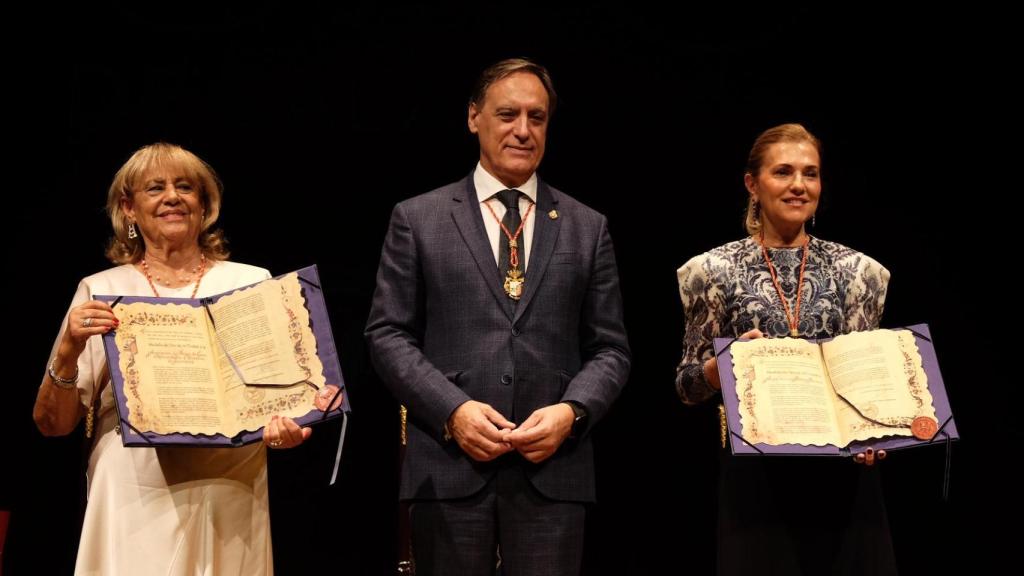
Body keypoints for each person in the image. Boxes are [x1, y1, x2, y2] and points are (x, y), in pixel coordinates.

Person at [365, 58, 631, 576]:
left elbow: (611, 349)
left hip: (553, 472)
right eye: (508, 114)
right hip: (448, 468)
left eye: (537, 117)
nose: (523, 130)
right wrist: (453, 411)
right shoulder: (418, 218)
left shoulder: (587, 226)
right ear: (473, 117)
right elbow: (386, 334)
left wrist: (572, 412)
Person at [33, 143, 314, 575]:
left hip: (230, 484)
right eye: (155, 188)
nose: (172, 197)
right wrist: (69, 351)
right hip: (134, 486)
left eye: (186, 187)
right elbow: (53, 424)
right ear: (128, 207)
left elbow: (286, 402)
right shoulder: (103, 288)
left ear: (204, 205)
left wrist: (288, 426)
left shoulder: (250, 283)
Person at [675, 123, 896, 575]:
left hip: (845, 485)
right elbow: (686, 386)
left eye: (810, 174)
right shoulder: (710, 271)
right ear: (752, 185)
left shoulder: (862, 273)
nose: (799, 185)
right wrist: (722, 367)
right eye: (783, 172)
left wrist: (878, 434)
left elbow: (871, 388)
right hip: (756, 484)